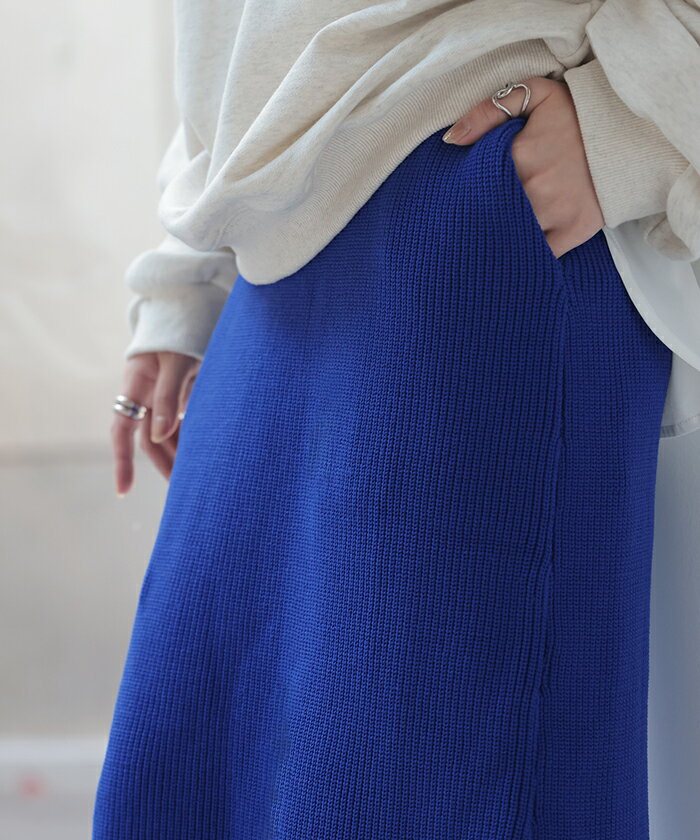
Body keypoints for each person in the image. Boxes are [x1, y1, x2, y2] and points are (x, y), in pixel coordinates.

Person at [94, 2, 700, 838]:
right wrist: (187, 272)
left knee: (413, 790)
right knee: (188, 779)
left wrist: (635, 126)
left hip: (474, 201)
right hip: (269, 257)